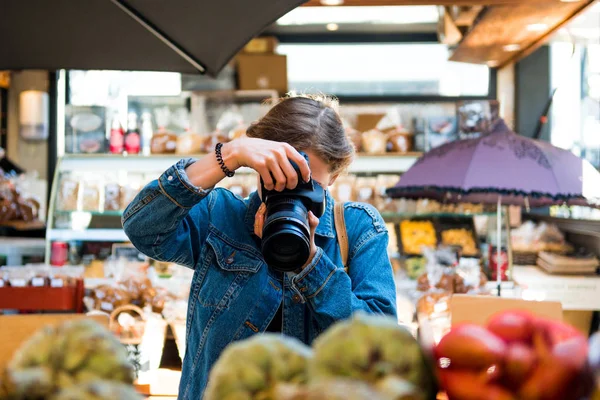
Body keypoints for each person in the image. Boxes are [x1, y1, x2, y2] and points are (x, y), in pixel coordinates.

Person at [123, 94, 397, 399]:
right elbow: (143, 229)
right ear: (257, 167)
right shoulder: (222, 218)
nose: (291, 194)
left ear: (333, 175)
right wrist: (228, 154)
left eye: (308, 185)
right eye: (278, 176)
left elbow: (382, 342)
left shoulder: (357, 229)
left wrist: (311, 265)